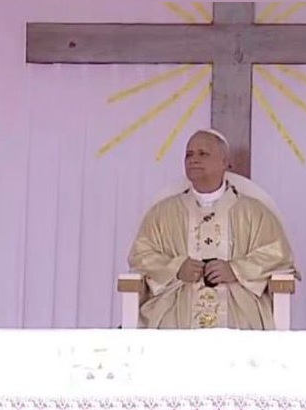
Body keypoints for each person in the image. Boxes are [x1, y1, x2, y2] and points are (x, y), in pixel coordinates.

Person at [127, 129, 297, 330]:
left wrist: (235, 270)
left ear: (224, 162)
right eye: (189, 154)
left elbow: (278, 255)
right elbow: (141, 255)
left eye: (203, 154)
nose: (194, 160)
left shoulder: (254, 212)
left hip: (237, 305)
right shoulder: (162, 213)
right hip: (177, 304)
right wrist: (176, 268)